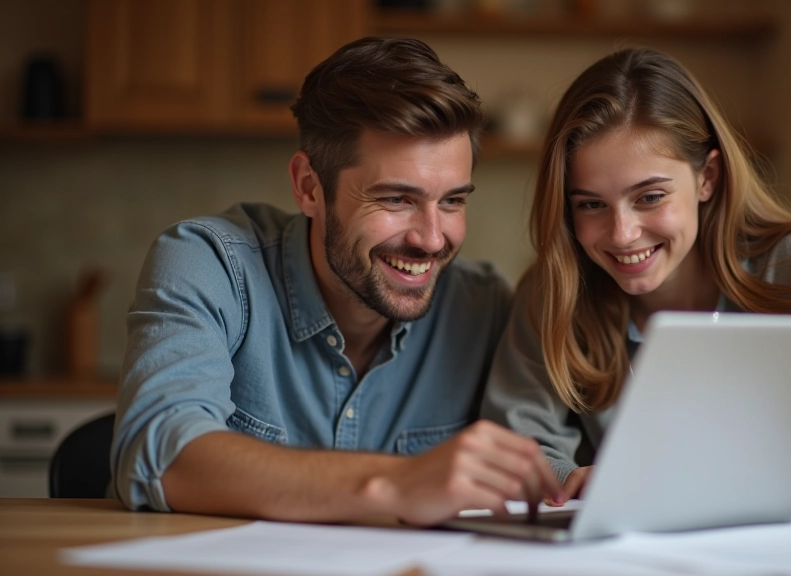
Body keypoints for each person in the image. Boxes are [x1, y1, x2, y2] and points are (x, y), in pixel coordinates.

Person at [112, 37, 561, 525]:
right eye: (396, 199)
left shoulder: (484, 308)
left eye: (452, 201)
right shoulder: (209, 263)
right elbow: (159, 453)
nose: (432, 240)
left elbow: (531, 453)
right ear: (309, 187)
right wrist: (392, 485)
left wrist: (565, 478)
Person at [482, 48, 791, 509]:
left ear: (707, 178)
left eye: (650, 196)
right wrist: (574, 480)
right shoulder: (557, 291)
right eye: (591, 204)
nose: (622, 233)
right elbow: (515, 447)